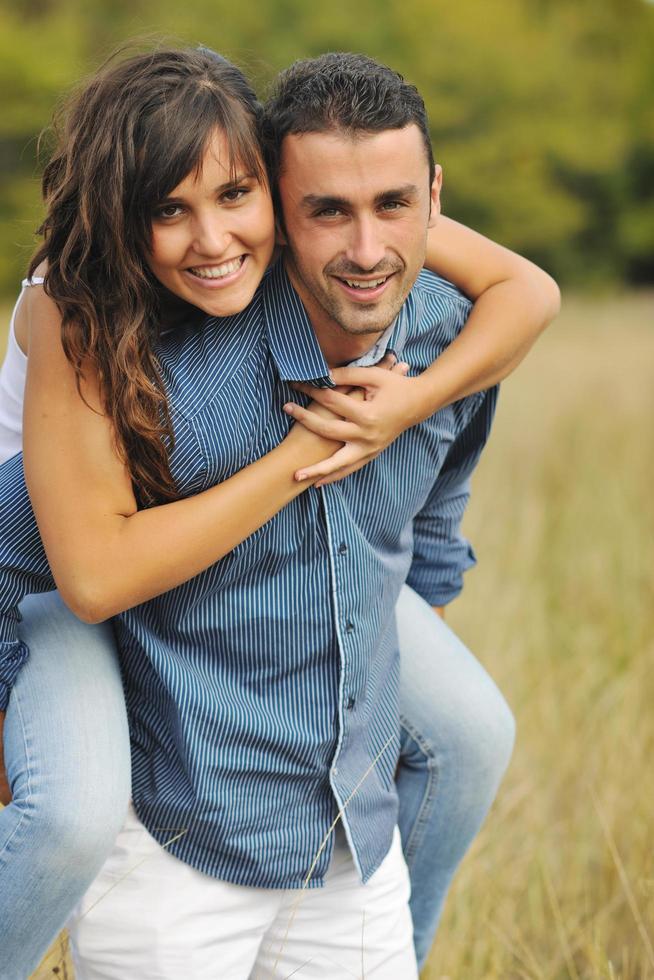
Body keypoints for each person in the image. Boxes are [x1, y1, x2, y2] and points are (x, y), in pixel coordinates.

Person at [0, 47, 559, 978]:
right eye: (169, 209)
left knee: (468, 734)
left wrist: (403, 407)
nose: (213, 237)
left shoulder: (371, 252)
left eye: (232, 198)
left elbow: (526, 292)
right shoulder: (80, 313)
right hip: (57, 549)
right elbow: (87, 569)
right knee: (74, 811)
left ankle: (388, 950)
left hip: (257, 555)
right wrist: (305, 455)